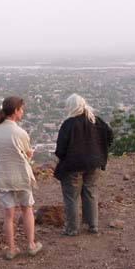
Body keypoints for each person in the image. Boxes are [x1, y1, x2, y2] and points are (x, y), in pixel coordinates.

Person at [0, 96, 42, 260]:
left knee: (8, 215)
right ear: (15, 111)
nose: (23, 112)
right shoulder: (20, 132)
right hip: (20, 176)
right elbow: (26, 154)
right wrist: (30, 154)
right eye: (21, 109)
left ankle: (11, 249)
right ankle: (31, 245)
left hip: (3, 176)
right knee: (27, 209)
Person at [54, 94, 113, 236]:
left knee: (71, 197)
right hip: (94, 163)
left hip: (73, 166)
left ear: (71, 107)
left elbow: (60, 149)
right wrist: (99, 150)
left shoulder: (69, 124)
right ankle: (93, 225)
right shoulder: (96, 121)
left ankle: (72, 228)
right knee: (90, 193)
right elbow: (109, 136)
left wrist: (63, 158)